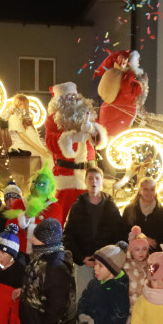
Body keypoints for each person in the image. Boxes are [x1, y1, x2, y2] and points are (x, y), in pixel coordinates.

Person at [63, 165, 127, 324]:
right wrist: (82, 257)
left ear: (102, 181)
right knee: (84, 300)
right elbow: (69, 235)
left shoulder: (111, 206)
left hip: (106, 264)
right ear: (85, 181)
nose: (93, 182)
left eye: (97, 178)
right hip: (84, 263)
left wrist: (107, 259)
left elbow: (119, 233)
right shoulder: (77, 206)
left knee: (106, 300)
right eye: (90, 178)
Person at [43, 82, 108, 224]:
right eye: (68, 97)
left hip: (88, 175)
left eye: (74, 95)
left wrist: (92, 129)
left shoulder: (88, 115)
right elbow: (50, 142)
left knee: (91, 216)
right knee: (62, 214)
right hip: (66, 175)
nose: (72, 99)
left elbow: (99, 140)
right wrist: (72, 138)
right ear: (59, 100)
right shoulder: (52, 119)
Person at [93, 49, 148, 137]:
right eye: (137, 60)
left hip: (111, 111)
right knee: (117, 140)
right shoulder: (128, 76)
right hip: (120, 114)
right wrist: (143, 84)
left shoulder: (117, 75)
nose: (138, 63)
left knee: (108, 139)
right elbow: (129, 93)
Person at [122, 227, 151, 324]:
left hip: (144, 306)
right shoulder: (124, 265)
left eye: (144, 249)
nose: (141, 253)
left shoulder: (150, 265)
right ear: (131, 251)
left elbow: (155, 277)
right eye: (137, 249)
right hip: (128, 305)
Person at [123, 178, 163, 252]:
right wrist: (141, 239)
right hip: (133, 255)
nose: (149, 193)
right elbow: (123, 234)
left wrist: (156, 242)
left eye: (152, 189)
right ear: (139, 191)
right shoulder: (129, 210)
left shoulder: (162, 213)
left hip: (154, 256)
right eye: (145, 189)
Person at [1, 94, 49, 161]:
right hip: (22, 148)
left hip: (31, 147)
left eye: (23, 104)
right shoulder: (14, 118)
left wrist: (43, 147)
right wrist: (39, 149)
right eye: (19, 104)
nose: (22, 107)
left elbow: (35, 137)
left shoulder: (25, 119)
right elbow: (22, 137)